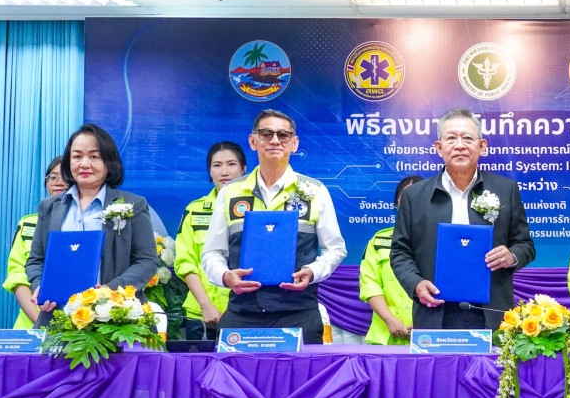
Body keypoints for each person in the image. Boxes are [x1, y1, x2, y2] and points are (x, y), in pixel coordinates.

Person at [201, 109, 348, 344]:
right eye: (266, 134)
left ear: (294, 143)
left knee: (304, 370)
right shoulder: (230, 192)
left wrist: (312, 271)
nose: (275, 140)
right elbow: (212, 252)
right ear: (253, 141)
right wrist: (225, 276)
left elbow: (336, 249)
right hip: (243, 311)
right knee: (232, 370)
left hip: (299, 311)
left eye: (283, 135)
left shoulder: (315, 191)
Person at [390, 107, 535, 330]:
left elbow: (525, 245)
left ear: (482, 146)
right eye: (451, 138)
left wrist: (512, 256)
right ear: (439, 147)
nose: (459, 145)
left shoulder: (506, 190)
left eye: (467, 138)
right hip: (434, 310)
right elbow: (400, 252)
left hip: (491, 312)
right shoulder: (414, 196)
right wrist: (415, 284)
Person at [26, 124, 159, 323]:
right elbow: (36, 260)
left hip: (115, 315)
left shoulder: (133, 204)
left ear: (109, 161)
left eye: (94, 156)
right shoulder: (50, 206)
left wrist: (109, 292)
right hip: (58, 315)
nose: (84, 164)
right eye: (77, 156)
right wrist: (40, 287)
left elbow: (146, 261)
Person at [174, 141, 247, 340]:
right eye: (217, 165)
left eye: (231, 164)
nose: (224, 172)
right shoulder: (194, 210)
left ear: (243, 169)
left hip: (244, 312)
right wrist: (206, 305)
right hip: (201, 314)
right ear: (210, 171)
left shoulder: (257, 208)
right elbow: (185, 263)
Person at [4, 157, 70, 328]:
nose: (58, 182)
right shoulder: (28, 224)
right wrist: (42, 324)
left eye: (65, 176)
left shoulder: (86, 222)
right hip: (32, 324)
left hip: (80, 324)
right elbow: (17, 276)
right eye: (53, 177)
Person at [360, 175, 422, 345]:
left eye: (418, 201)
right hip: (385, 335)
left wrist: (423, 323)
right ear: (396, 205)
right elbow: (369, 285)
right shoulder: (378, 241)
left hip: (428, 335)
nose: (411, 206)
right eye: (406, 201)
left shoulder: (440, 241)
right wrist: (389, 319)